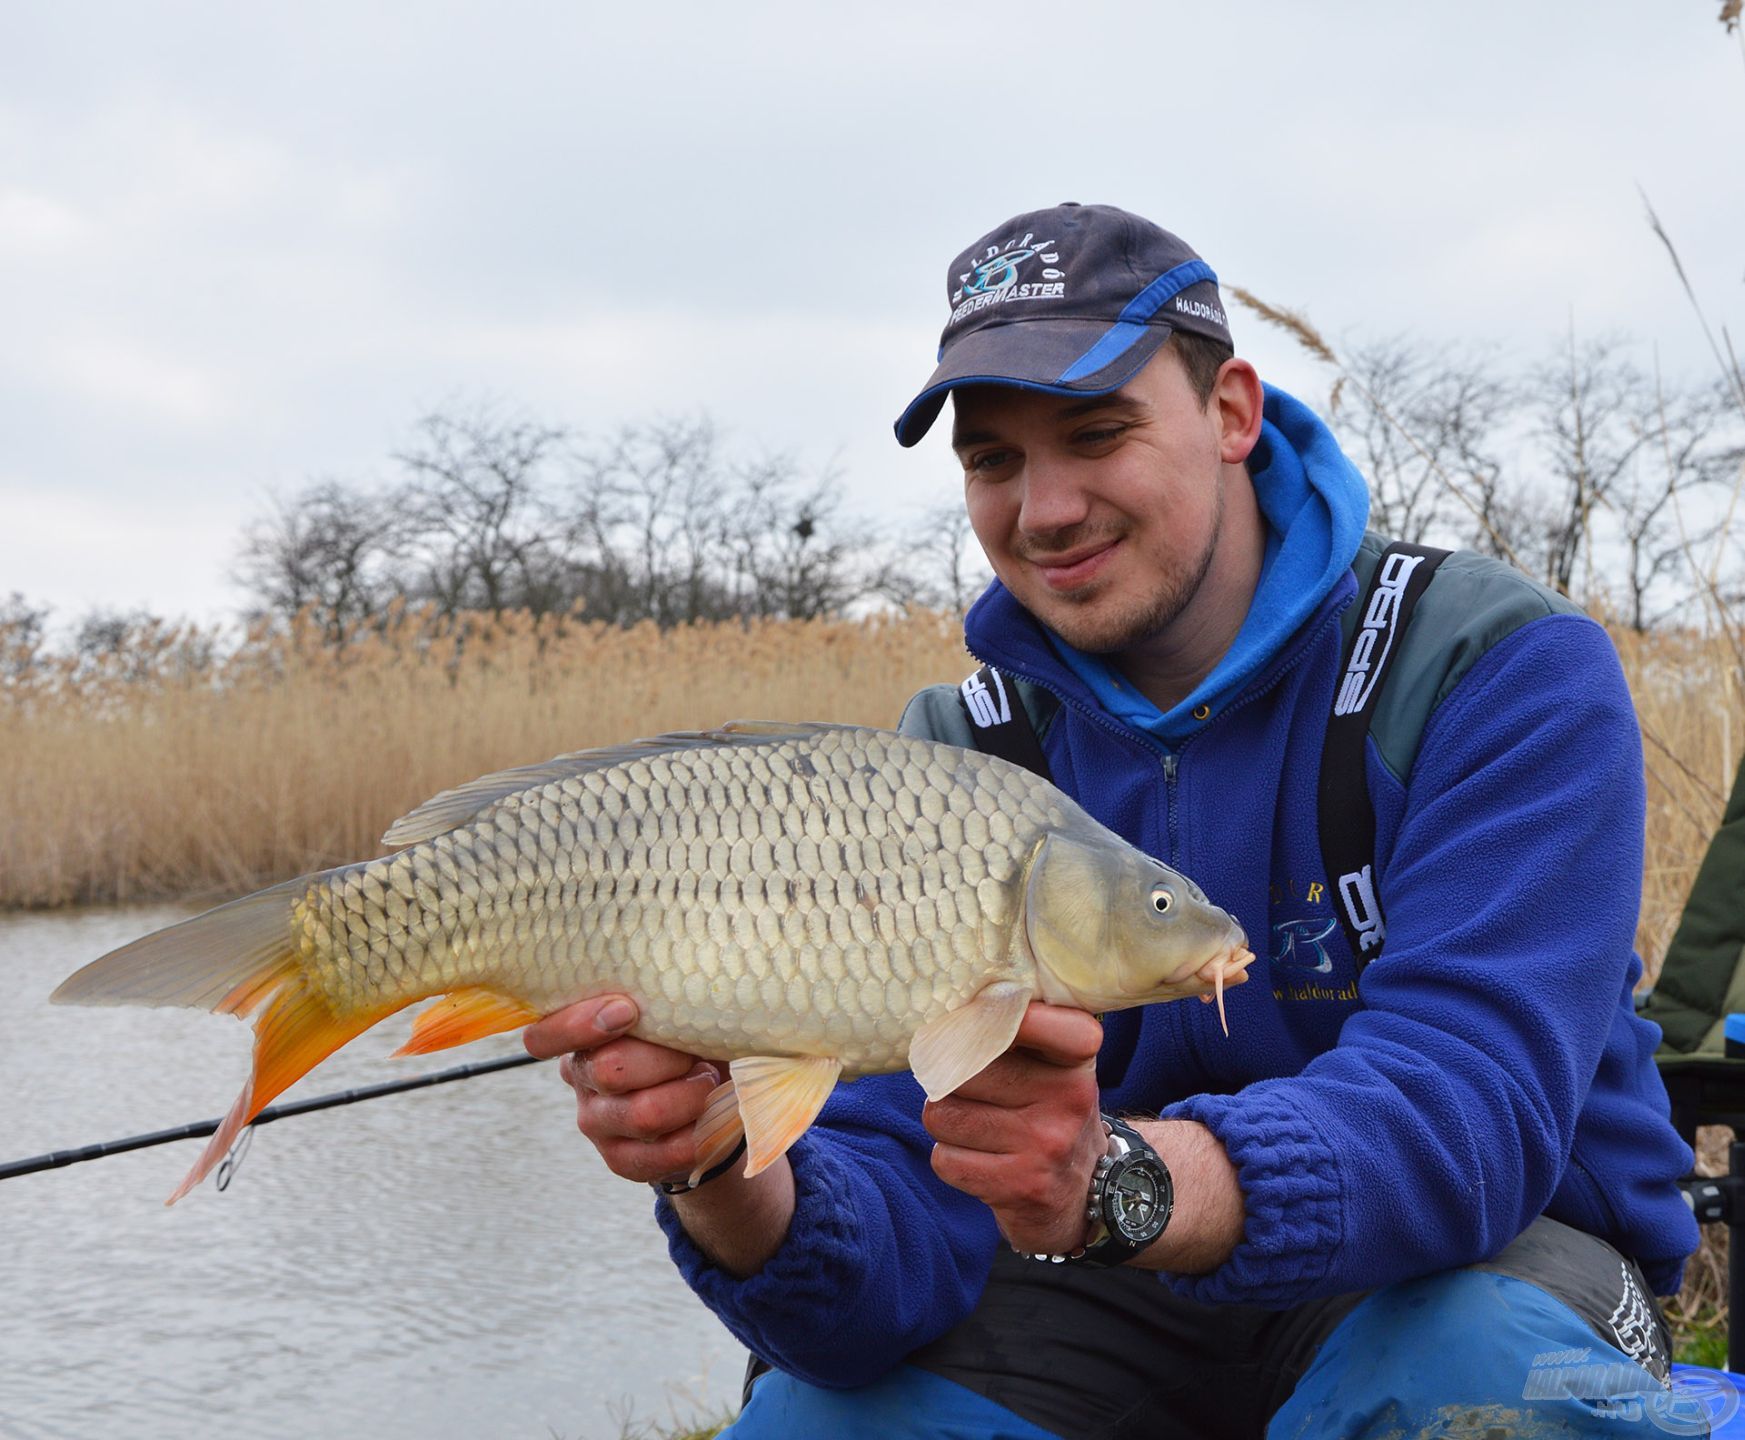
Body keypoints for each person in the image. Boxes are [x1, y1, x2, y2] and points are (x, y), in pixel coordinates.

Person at [525, 203, 1703, 1438]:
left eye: (1095, 434)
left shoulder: (1486, 666)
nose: (1042, 510)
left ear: (1230, 413)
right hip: (1097, 1297)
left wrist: (1115, 1181)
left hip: (1477, 1266)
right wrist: (720, 1176)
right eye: (992, 463)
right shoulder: (957, 758)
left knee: (1474, 1369)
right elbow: (872, 1276)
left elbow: (1471, 1113)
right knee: (826, 1417)